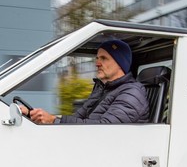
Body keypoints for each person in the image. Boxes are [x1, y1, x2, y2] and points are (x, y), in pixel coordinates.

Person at [20, 39, 148, 124]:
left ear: (121, 64)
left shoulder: (132, 92)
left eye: (104, 58)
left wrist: (53, 120)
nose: (97, 63)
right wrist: (37, 115)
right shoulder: (102, 89)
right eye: (97, 58)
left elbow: (105, 129)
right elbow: (78, 118)